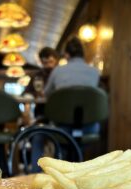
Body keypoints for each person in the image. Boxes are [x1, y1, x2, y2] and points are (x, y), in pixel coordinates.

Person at [30, 38, 101, 172]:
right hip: (90, 129)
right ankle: (72, 167)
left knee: (38, 133)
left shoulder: (57, 71)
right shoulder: (94, 72)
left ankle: (35, 177)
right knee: (72, 142)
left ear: (66, 55)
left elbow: (46, 95)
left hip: (61, 129)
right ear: (83, 54)